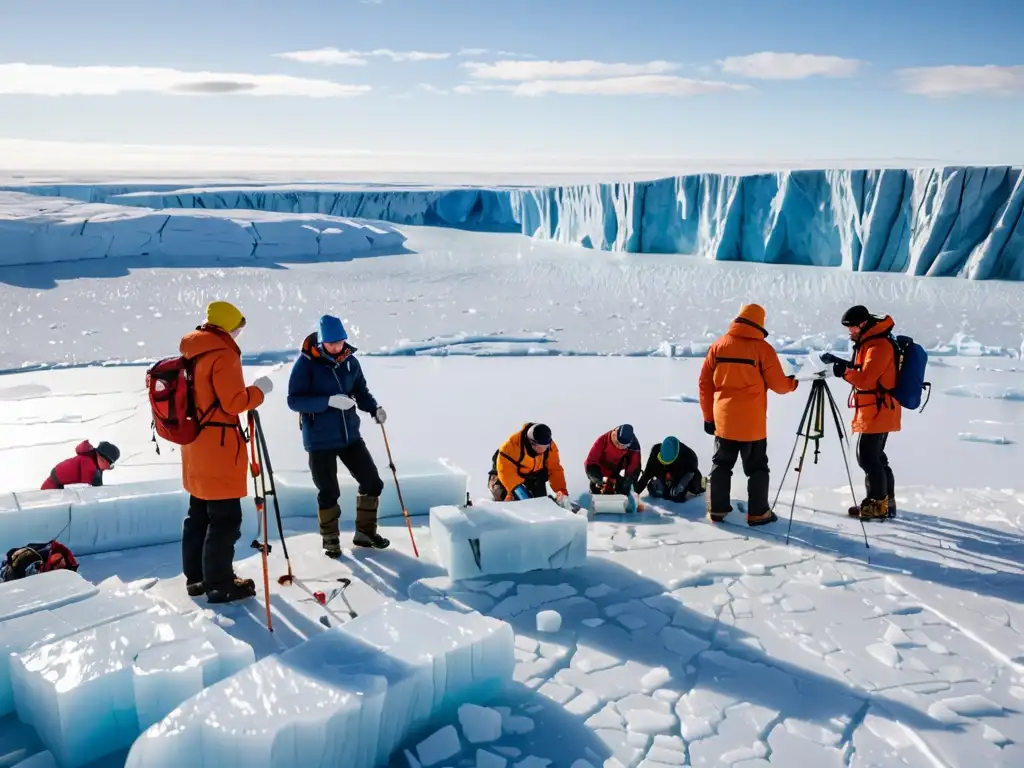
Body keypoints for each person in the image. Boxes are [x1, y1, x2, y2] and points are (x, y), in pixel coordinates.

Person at [180, 301, 272, 603]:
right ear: (229, 326)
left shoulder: (191, 350)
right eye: (239, 327)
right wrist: (259, 391)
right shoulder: (223, 353)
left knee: (199, 514)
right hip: (218, 445)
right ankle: (219, 583)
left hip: (193, 443)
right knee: (225, 518)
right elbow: (233, 403)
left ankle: (196, 579)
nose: (239, 333)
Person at [287, 314, 390, 557]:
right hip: (320, 440)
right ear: (321, 341)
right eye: (331, 343)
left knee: (372, 482)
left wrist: (374, 408)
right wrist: (328, 402)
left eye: (340, 342)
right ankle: (330, 539)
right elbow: (294, 400)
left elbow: (360, 390)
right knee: (329, 491)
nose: (336, 347)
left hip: (349, 436)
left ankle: (365, 533)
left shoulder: (350, 362)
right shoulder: (306, 364)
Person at [699, 303, 799, 526]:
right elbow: (780, 385)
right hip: (752, 425)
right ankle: (758, 512)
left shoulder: (718, 345)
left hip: (724, 420)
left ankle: (716, 509)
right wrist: (794, 383)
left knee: (721, 464)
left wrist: (708, 417)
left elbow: (704, 384)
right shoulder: (763, 349)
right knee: (757, 468)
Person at [828, 305, 900, 520]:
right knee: (876, 456)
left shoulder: (878, 346)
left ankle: (877, 505)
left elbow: (867, 380)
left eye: (850, 327)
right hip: (878, 407)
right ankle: (886, 502)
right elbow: (867, 372)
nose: (849, 332)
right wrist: (846, 366)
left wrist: (844, 373)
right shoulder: (871, 343)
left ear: (862, 324)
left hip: (878, 408)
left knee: (868, 458)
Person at [488, 422, 570, 504]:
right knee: (511, 500)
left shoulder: (550, 447)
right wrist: (514, 492)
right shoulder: (510, 447)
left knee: (540, 502)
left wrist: (561, 490)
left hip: (531, 477)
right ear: (531, 443)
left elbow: (554, 469)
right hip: (503, 476)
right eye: (539, 447)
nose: (542, 451)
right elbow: (506, 473)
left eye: (545, 447)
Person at [634, 436, 706, 502]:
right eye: (663, 461)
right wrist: (635, 492)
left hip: (683, 475)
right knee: (656, 491)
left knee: (680, 495)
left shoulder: (690, 456)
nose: (665, 464)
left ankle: (702, 481)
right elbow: (647, 473)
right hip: (665, 475)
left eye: (668, 462)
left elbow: (690, 472)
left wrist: (681, 485)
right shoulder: (655, 452)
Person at [585, 424, 642, 495]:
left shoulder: (634, 445)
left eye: (625, 446)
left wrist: (626, 481)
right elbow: (589, 464)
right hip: (600, 471)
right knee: (596, 489)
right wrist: (599, 479)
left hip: (616, 470)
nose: (620, 447)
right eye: (618, 443)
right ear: (615, 435)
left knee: (624, 487)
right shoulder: (602, 440)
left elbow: (634, 466)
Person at [41, 440, 120, 490]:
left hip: (59, 486)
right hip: (53, 487)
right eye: (109, 464)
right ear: (102, 459)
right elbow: (87, 491)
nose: (107, 468)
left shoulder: (93, 461)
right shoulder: (89, 464)